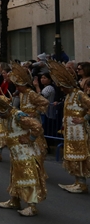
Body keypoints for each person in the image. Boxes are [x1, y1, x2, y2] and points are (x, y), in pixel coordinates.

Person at [0, 88, 47, 216]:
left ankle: (31, 206)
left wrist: (30, 138)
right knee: (16, 177)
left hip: (27, 154)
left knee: (29, 178)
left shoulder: (18, 115)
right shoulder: (8, 117)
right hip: (17, 154)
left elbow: (37, 126)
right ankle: (14, 200)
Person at [47, 60, 90, 194]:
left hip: (80, 132)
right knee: (73, 157)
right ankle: (77, 181)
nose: (61, 89)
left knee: (81, 157)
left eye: (62, 86)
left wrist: (84, 119)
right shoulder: (69, 95)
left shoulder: (79, 94)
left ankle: (82, 184)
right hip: (71, 131)